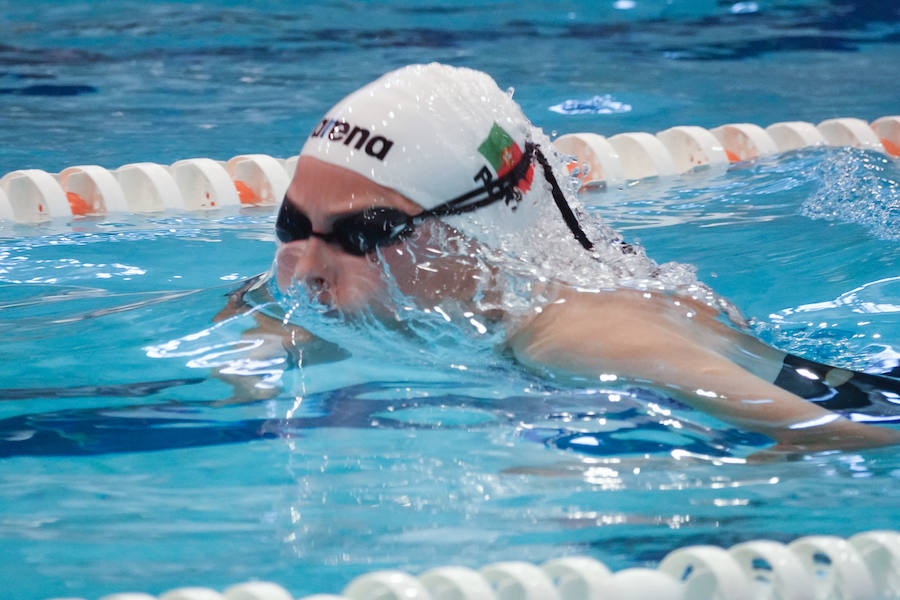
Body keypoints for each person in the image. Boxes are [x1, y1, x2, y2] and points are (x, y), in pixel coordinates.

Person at [219, 63, 900, 456]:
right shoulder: (318, 290)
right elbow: (263, 328)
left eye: (363, 234)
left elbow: (838, 437)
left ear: (473, 230)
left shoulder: (579, 335)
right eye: (291, 225)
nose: (307, 266)